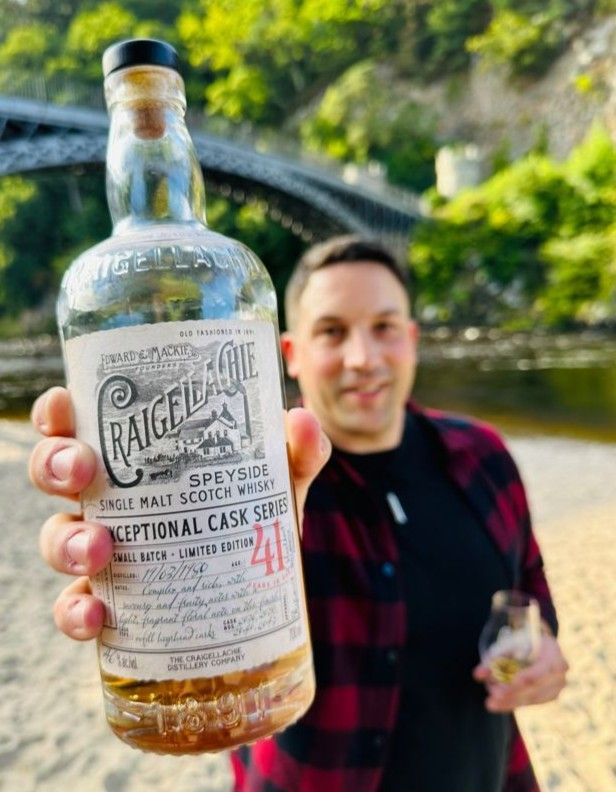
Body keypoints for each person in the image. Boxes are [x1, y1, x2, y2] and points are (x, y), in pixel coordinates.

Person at [29, 235, 568, 792]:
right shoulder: (258, 483)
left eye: (384, 327)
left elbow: (529, 582)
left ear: (411, 340)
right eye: (332, 331)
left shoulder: (484, 457)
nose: (363, 359)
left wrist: (543, 646)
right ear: (288, 353)